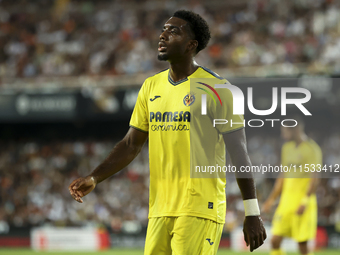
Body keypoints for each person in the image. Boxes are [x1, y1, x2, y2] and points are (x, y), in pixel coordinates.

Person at [69, 10, 266, 254]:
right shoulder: (151, 86)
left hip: (199, 208)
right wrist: (95, 177)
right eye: (164, 29)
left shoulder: (219, 89)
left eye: (174, 31)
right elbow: (131, 144)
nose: (163, 35)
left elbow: (239, 152)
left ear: (190, 45)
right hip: (160, 209)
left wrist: (252, 212)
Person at [262, 118, 322, 255]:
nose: (283, 134)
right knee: (274, 240)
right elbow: (282, 177)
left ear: (296, 129)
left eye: (285, 131)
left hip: (303, 203)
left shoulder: (312, 149)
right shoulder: (286, 148)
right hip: (286, 203)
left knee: (302, 245)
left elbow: (315, 178)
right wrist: (271, 199)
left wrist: (305, 201)